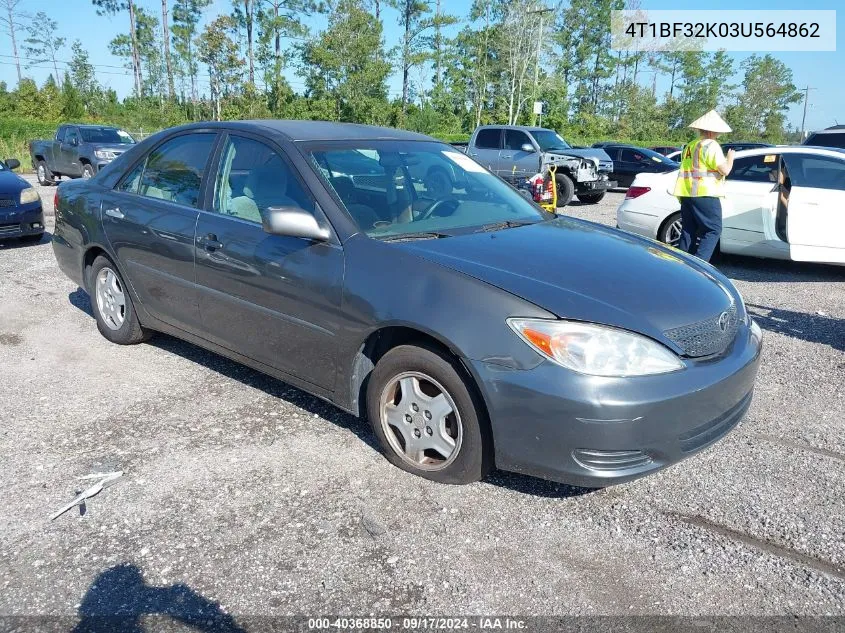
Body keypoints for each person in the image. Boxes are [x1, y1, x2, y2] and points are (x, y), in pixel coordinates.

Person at [673, 110, 735, 261]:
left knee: (688, 231)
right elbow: (725, 170)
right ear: (713, 131)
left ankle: (682, 265)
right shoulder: (711, 145)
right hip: (705, 193)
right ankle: (700, 266)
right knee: (713, 230)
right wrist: (731, 158)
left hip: (686, 193)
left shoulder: (690, 146)